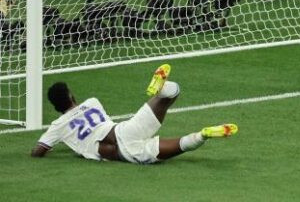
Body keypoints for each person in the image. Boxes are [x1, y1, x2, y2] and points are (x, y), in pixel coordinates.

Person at [31, 64, 237, 164]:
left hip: (124, 154)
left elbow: (38, 151)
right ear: (71, 95)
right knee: (171, 94)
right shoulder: (92, 102)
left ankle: (202, 135)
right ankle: (161, 89)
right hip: (125, 130)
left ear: (56, 106)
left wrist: (61, 143)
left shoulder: (58, 125)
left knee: (180, 145)